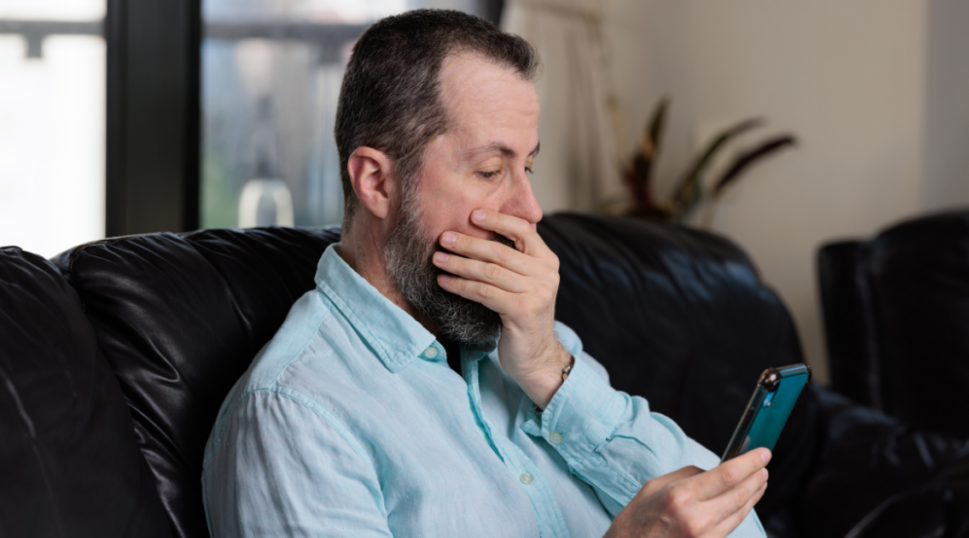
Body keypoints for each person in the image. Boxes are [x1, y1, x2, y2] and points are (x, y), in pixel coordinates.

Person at [202, 9, 768, 537]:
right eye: (491, 169)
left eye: (527, 165)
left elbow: (741, 528)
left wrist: (550, 369)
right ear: (376, 182)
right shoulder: (297, 412)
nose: (530, 209)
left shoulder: (528, 343)